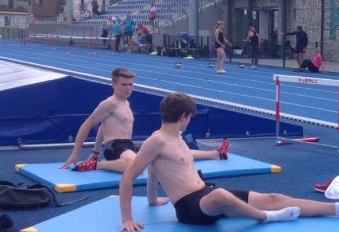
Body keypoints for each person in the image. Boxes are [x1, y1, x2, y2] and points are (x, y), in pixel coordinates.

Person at [118, 92, 339, 232]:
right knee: (222, 196)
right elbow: (129, 176)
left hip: (205, 194)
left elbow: (154, 172)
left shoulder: (177, 138)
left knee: (275, 198)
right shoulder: (157, 141)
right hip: (189, 208)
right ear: (183, 116)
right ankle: (266, 217)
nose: (189, 121)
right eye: (190, 118)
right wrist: (127, 219)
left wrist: (152, 200)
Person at [61, 68, 228, 173]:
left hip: (127, 145)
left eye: (130, 85)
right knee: (134, 167)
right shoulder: (109, 103)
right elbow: (87, 124)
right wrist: (76, 153)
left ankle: (215, 154)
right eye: (124, 84)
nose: (128, 88)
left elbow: (103, 127)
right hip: (115, 147)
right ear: (114, 84)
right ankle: (97, 165)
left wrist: (95, 152)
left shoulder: (125, 103)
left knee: (173, 151)